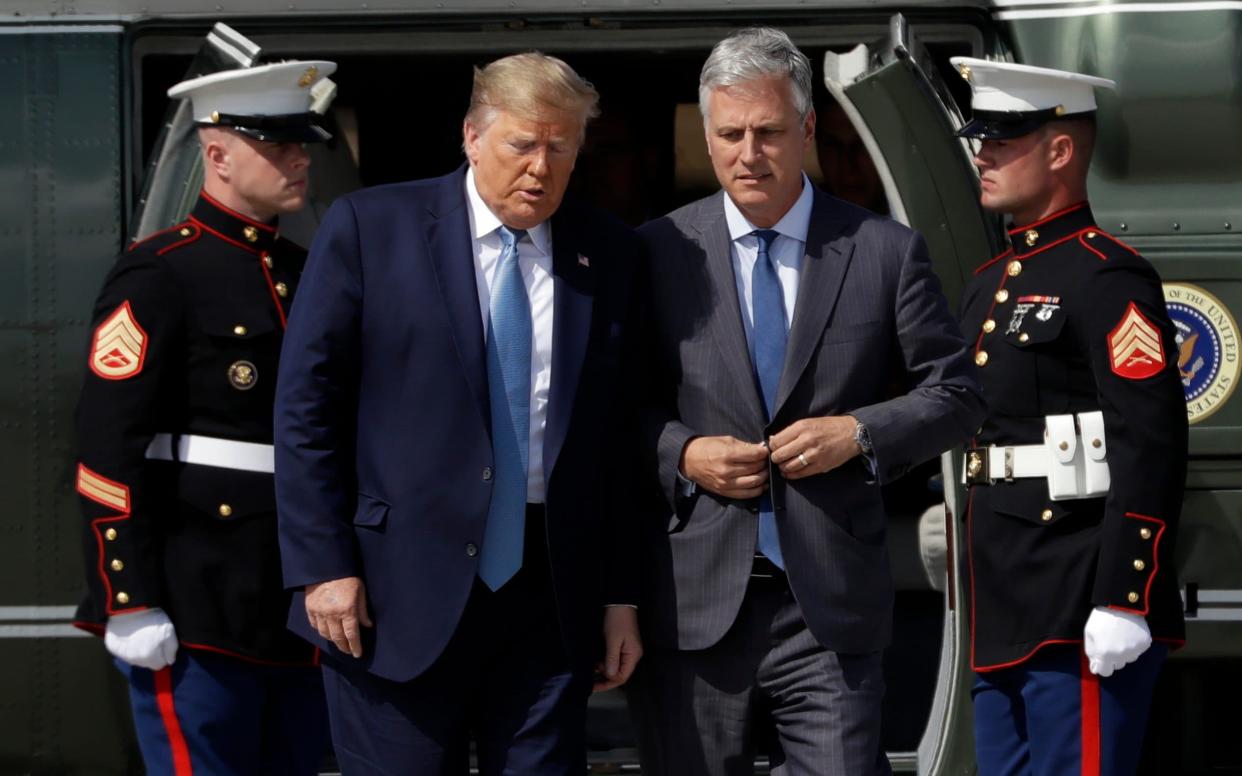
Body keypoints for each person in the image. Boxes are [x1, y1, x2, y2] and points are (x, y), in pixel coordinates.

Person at [628, 27, 985, 776]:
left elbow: (956, 395)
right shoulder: (657, 251)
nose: (748, 154)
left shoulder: (884, 250)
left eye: (768, 132)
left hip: (828, 606)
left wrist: (857, 431)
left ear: (809, 129)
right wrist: (683, 452)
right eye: (728, 134)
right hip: (693, 604)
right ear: (707, 131)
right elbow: (612, 408)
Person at [273, 52, 643, 775]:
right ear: (472, 137)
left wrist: (621, 595)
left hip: (550, 596)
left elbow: (617, 441)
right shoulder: (372, 228)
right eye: (522, 145)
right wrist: (322, 566)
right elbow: (305, 409)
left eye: (560, 147)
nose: (541, 166)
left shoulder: (609, 254)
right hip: (391, 593)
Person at [71, 60, 336, 775]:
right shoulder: (160, 273)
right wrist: (128, 597)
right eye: (276, 143)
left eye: (302, 142)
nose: (298, 156)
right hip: (196, 600)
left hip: (295, 597)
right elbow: (106, 445)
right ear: (216, 153)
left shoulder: (307, 270)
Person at [952, 57, 1188, 775]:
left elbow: (1149, 441)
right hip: (1001, 603)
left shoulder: (1106, 275)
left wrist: (1125, 597)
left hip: (1076, 599)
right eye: (980, 137)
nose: (981, 153)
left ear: (1059, 151)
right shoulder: (989, 283)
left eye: (1003, 139)